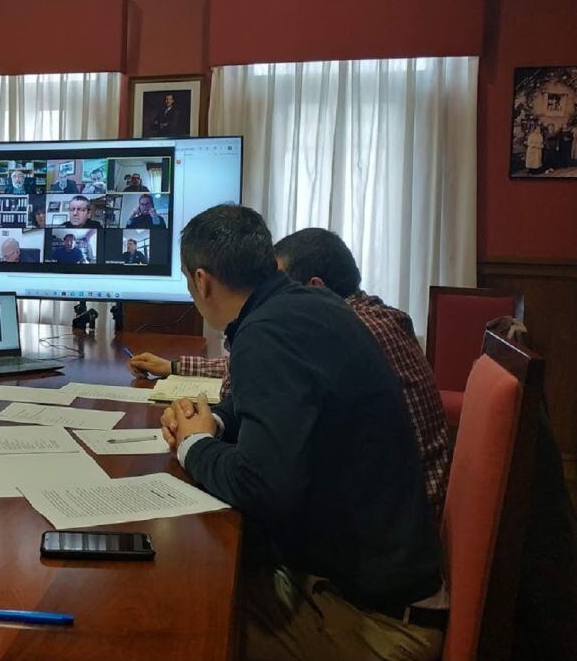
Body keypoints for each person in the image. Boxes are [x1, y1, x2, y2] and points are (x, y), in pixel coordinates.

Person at [151, 206, 444, 660]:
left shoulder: (265, 334)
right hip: (386, 586)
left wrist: (194, 445)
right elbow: (282, 412)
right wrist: (216, 419)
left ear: (202, 281)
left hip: (377, 623)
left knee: (177, 622)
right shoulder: (311, 306)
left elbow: (262, 485)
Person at [130, 226, 451, 522]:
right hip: (392, 513)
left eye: (276, 282)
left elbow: (262, 483)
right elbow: (261, 379)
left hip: (379, 534)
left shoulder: (337, 328)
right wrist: (209, 412)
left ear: (315, 288)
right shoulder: (361, 317)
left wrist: (195, 441)